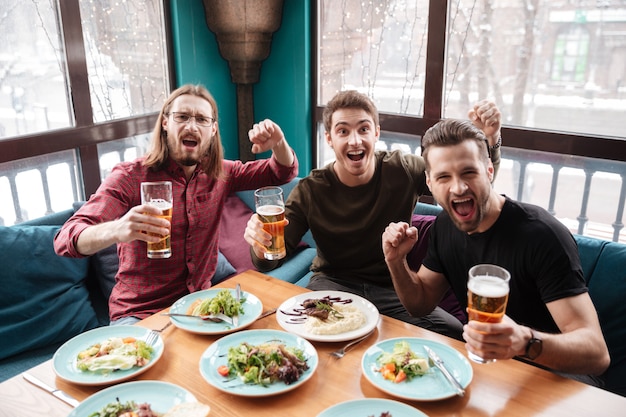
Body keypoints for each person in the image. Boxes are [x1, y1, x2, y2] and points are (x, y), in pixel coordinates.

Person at [244, 90, 502, 339]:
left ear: (376, 133)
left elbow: (470, 189)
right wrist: (259, 241)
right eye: (343, 131)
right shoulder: (310, 190)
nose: (355, 140)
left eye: (364, 129)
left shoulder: (403, 168)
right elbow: (270, 260)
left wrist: (490, 141)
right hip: (331, 287)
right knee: (304, 335)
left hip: (392, 289)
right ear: (329, 139)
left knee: (454, 334)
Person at [381, 118, 610, 383]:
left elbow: (597, 354)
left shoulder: (541, 234)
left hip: (559, 377)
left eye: (469, 172)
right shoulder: (445, 225)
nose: (458, 187)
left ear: (489, 170)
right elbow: (419, 304)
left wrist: (524, 342)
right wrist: (396, 262)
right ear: (430, 184)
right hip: (488, 371)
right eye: (444, 176)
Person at [54, 84, 298, 325]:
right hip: (140, 314)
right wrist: (118, 229)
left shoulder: (220, 173)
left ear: (213, 129)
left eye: (201, 119)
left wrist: (278, 142)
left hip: (201, 306)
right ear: (165, 123)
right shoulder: (130, 176)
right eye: (182, 117)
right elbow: (66, 239)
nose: (191, 126)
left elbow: (281, 172)